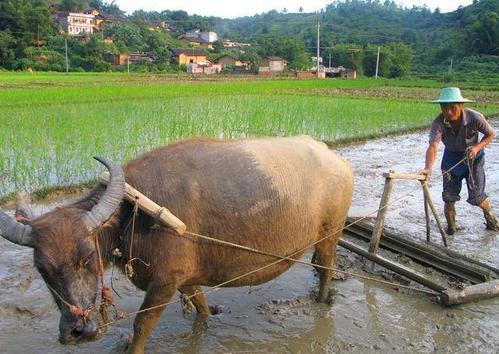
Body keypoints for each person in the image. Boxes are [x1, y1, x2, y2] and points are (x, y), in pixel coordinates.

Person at [422, 87, 498, 235]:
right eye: (444, 108)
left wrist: (477, 147)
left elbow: (491, 134)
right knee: (448, 198)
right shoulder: (438, 122)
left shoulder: (474, 117)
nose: (448, 112)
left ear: (461, 105)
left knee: (477, 198)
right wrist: (428, 168)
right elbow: (433, 145)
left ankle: (493, 221)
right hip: (451, 159)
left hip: (473, 159)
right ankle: (451, 229)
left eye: (452, 108)